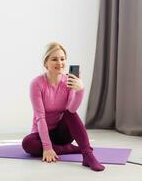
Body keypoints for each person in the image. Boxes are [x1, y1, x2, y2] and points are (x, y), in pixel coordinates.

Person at [22, 42, 105, 171]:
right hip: (41, 132)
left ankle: (88, 155)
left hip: (62, 133)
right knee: (27, 144)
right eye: (54, 59)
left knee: (69, 114)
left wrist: (80, 90)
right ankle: (68, 149)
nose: (59, 63)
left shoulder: (68, 81)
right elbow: (40, 117)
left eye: (62, 59)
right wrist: (47, 147)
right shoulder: (37, 84)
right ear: (46, 63)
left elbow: (71, 111)